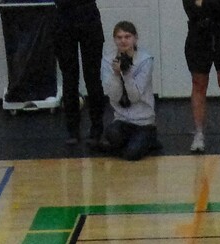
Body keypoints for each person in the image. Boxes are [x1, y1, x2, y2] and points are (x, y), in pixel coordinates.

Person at [184, 0, 220, 154]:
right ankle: (198, 134)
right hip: (197, 37)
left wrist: (203, 4)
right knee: (199, 84)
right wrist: (214, 5)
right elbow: (191, 9)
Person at [101, 20, 162, 159]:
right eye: (119, 37)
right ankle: (132, 143)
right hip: (122, 120)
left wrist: (127, 73)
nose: (123, 41)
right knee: (111, 133)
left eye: (127, 37)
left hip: (143, 122)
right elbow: (114, 97)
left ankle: (149, 140)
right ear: (114, 39)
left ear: (135, 38)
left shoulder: (145, 60)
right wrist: (116, 74)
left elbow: (135, 96)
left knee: (131, 155)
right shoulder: (108, 60)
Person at [53, 0, 109, 148]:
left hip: (88, 13)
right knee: (69, 78)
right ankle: (72, 131)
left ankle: (97, 129)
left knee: (93, 78)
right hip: (63, 15)